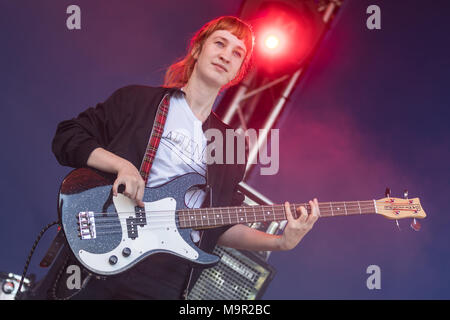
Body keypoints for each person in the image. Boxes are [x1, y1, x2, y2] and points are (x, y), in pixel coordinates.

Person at [27, 16, 319, 300]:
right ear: (197, 49)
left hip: (166, 275)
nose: (226, 55)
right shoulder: (137, 101)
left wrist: (281, 242)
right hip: (106, 242)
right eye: (220, 43)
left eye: (237, 53)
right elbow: (68, 137)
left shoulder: (231, 145)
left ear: (239, 72)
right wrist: (122, 166)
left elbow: (220, 224)